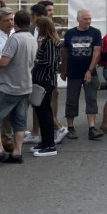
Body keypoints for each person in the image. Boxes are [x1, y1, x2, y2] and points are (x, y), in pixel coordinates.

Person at [0, 10, 37, 166]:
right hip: (25, 86)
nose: (10, 23)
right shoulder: (31, 38)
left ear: (16, 23)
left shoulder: (14, 39)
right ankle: (17, 153)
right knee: (19, 121)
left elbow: (4, 61)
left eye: (12, 20)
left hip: (9, 86)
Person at [61, 9, 103, 141]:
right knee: (71, 100)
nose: (88, 21)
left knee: (91, 98)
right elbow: (65, 53)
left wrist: (90, 70)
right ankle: (70, 127)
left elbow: (97, 52)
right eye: (85, 19)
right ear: (78, 19)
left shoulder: (95, 33)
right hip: (73, 72)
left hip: (90, 72)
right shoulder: (69, 33)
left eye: (90, 18)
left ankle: (92, 127)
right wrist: (63, 70)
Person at [30, 17, 61, 158]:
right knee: (41, 112)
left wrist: (34, 60)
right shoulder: (49, 42)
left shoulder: (49, 43)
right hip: (44, 80)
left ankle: (49, 144)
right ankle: (45, 142)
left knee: (45, 113)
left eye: (37, 27)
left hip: (45, 81)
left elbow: (50, 62)